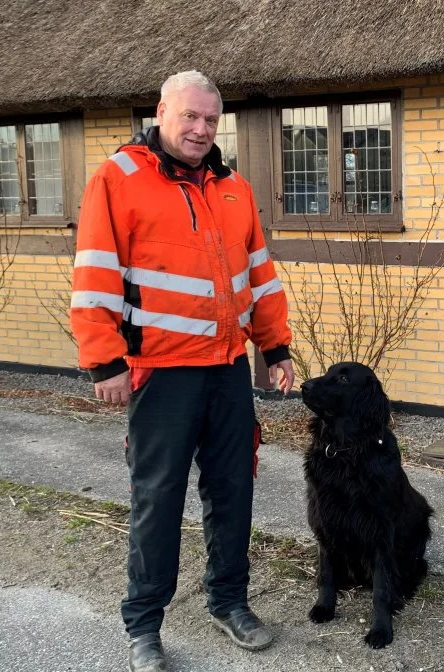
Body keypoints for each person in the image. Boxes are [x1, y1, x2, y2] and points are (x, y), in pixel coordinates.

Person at [69, 70, 294, 672]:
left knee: (233, 491)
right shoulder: (119, 178)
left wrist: (276, 349)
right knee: (157, 499)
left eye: (211, 120)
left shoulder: (234, 188)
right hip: (159, 373)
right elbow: (94, 271)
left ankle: (229, 603)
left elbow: (260, 275)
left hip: (225, 370)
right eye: (189, 116)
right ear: (162, 111)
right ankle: (144, 625)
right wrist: (104, 360)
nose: (200, 129)